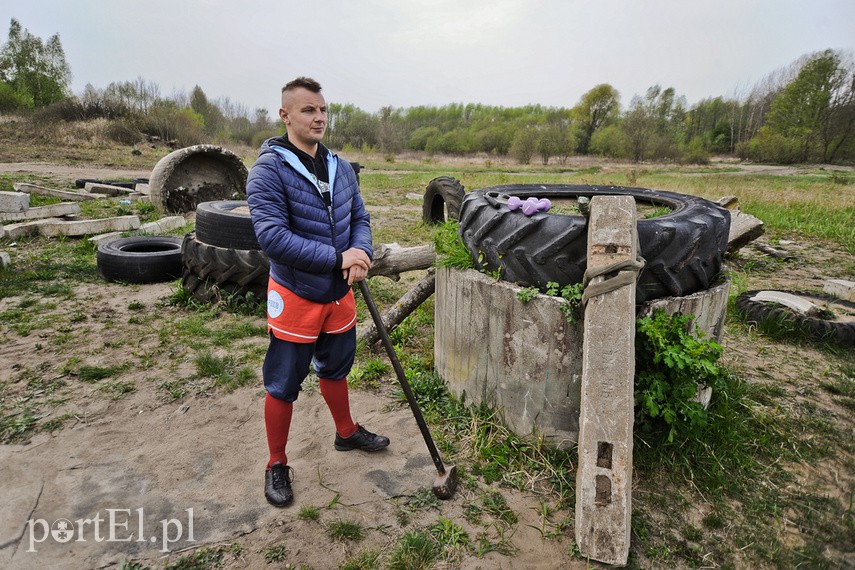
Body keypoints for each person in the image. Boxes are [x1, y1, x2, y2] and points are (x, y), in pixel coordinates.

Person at [246, 77, 390, 508]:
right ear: (285, 115)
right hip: (297, 293)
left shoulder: (340, 167)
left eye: (323, 109)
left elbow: (360, 217)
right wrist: (337, 257)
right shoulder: (268, 170)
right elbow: (272, 239)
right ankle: (276, 462)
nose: (319, 117)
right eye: (308, 110)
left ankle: (346, 433)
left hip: (340, 291)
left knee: (337, 368)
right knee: (283, 382)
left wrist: (360, 253)